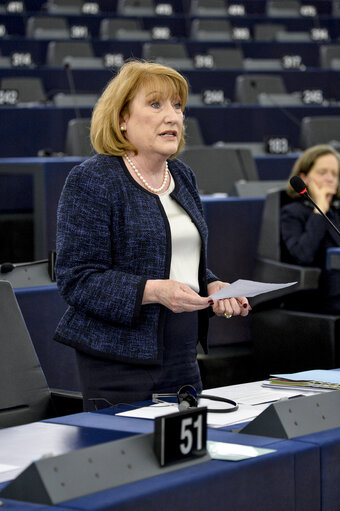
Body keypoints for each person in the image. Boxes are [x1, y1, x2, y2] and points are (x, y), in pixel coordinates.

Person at [54, 60, 251, 411]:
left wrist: (212, 285)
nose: (173, 116)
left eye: (178, 106)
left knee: (184, 460)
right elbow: (77, 278)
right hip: (118, 362)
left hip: (183, 355)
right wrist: (153, 291)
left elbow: (178, 258)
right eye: (156, 104)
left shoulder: (183, 176)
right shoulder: (93, 180)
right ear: (122, 119)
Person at [281, 144, 340, 313]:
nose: (330, 179)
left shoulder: (337, 211)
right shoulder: (292, 213)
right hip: (320, 294)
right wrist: (320, 208)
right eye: (322, 173)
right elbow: (303, 255)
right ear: (304, 178)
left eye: (334, 174)